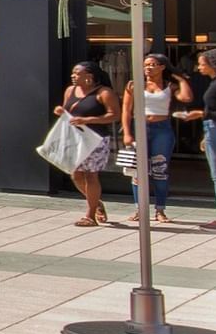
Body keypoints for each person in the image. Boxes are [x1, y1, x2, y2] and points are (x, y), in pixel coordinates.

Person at [122, 53, 192, 223]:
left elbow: (186, 98)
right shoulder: (134, 85)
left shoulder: (169, 85)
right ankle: (140, 209)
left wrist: (182, 81)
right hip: (140, 127)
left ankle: (160, 209)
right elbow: (126, 110)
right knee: (138, 171)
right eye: (146, 64)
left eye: (153, 64)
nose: (148, 68)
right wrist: (127, 132)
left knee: (160, 169)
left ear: (162, 67)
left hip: (162, 128)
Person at [54, 60, 119, 227]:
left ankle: (90, 215)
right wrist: (62, 112)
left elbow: (114, 115)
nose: (73, 76)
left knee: (91, 175)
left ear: (89, 77)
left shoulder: (104, 93)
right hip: (75, 138)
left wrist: (89, 119)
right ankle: (96, 202)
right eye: (73, 73)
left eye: (77, 73)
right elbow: (68, 111)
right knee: (75, 174)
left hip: (95, 138)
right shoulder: (71, 90)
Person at [180, 48, 216, 230]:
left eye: (202, 64)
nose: (199, 68)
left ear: (214, 65)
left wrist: (200, 114)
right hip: (215, 129)